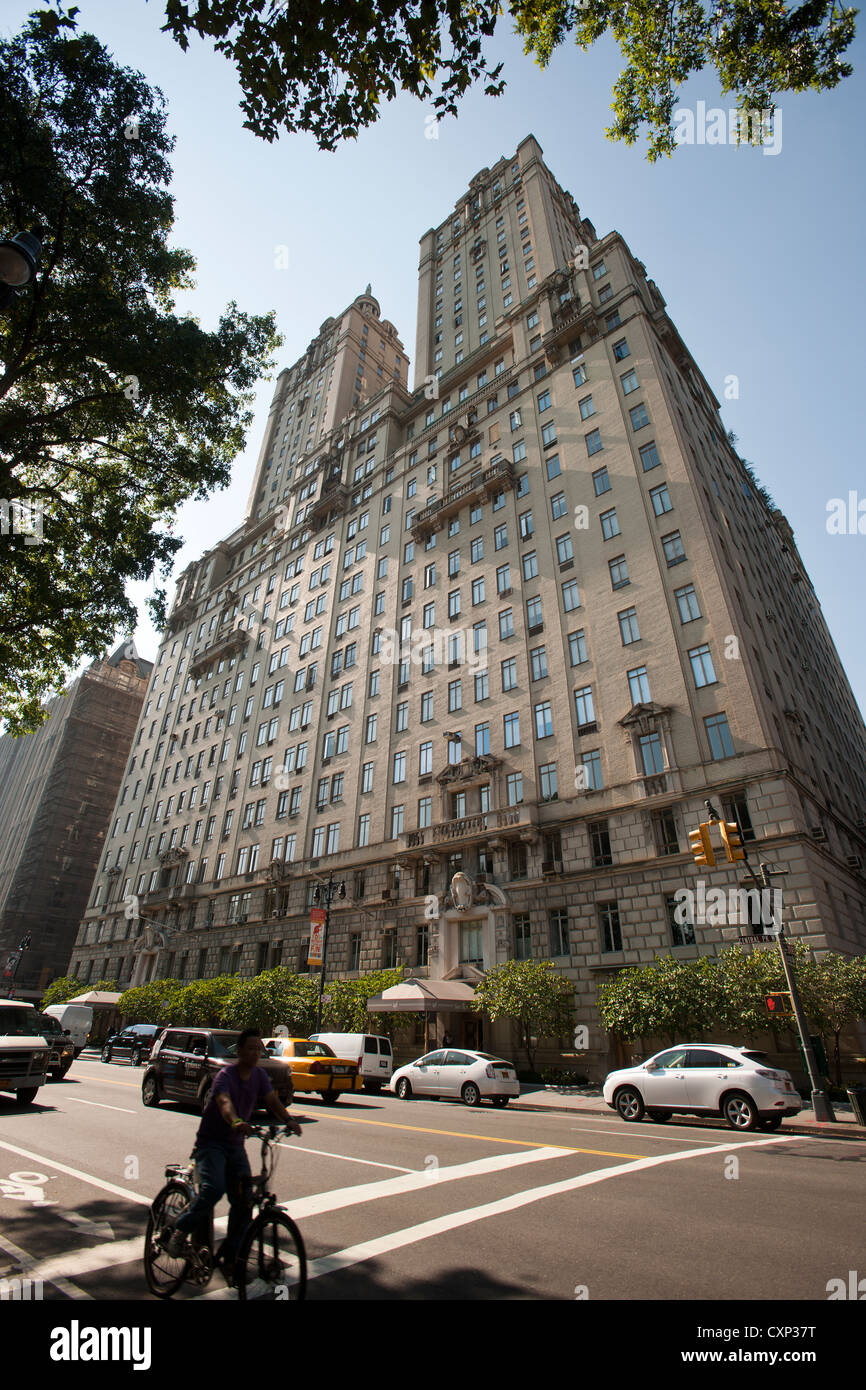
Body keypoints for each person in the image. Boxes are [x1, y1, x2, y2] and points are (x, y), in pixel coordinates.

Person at [165, 1027, 301, 1283]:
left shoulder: (259, 1075)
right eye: (250, 1048)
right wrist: (236, 1121)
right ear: (239, 1051)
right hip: (211, 1144)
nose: (254, 1053)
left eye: (258, 1049)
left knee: (244, 1200)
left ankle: (232, 1257)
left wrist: (289, 1120)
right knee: (213, 1190)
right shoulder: (225, 1076)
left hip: (235, 1146)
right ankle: (179, 1232)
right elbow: (224, 1103)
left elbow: (272, 1101)